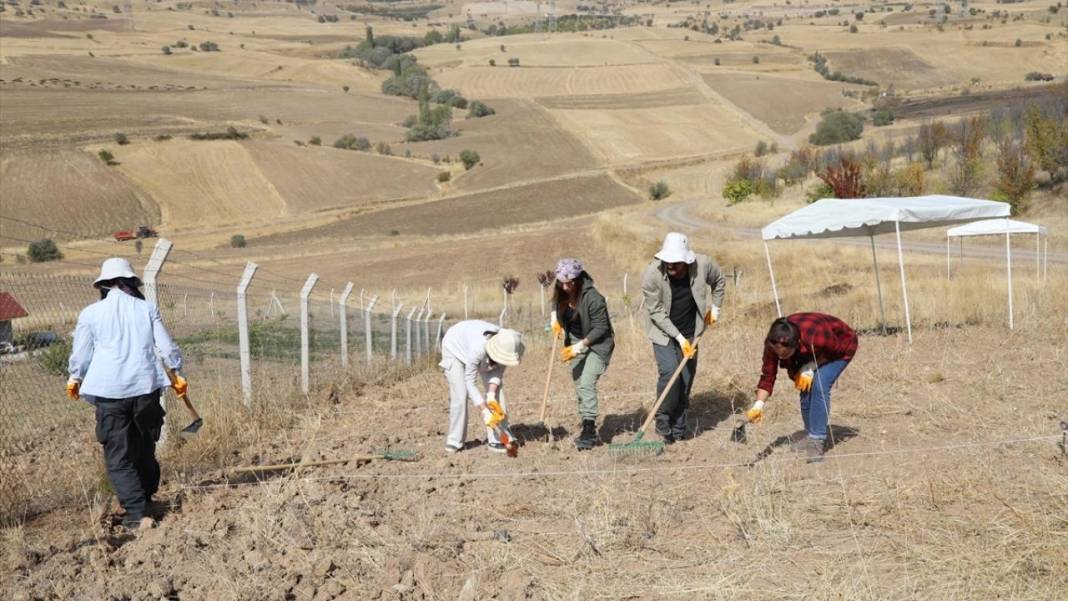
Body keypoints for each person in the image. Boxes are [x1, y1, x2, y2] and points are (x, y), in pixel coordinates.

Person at [66, 257, 184, 530]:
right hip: (146, 390)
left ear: (105, 285)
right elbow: (167, 347)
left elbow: (81, 354)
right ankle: (145, 500)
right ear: (131, 282)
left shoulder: (90, 314)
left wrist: (75, 377)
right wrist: (177, 372)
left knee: (119, 455)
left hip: (109, 394)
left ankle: (136, 514)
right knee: (144, 446)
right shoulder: (147, 309)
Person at [641, 232, 725, 444]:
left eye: (676, 263)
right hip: (662, 332)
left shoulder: (703, 264)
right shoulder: (652, 273)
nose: (671, 266)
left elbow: (720, 280)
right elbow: (656, 311)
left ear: (687, 261)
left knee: (686, 378)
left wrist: (715, 308)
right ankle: (662, 418)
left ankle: (678, 427)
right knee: (670, 373)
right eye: (667, 262)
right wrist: (679, 338)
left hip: (691, 330)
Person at [746, 313, 858, 463]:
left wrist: (812, 365)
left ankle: (817, 440)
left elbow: (837, 350)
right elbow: (768, 376)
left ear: (796, 344)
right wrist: (758, 405)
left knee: (819, 385)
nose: (781, 356)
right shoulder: (772, 344)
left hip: (841, 346)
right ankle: (810, 433)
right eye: (778, 354)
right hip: (814, 352)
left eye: (785, 354)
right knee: (805, 386)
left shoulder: (815, 336)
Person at [550, 258, 614, 451]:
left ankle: (589, 431)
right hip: (574, 343)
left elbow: (602, 327)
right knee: (580, 387)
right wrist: (555, 320)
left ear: (578, 279)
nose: (565, 286)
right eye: (561, 282)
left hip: (597, 344)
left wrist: (581, 346)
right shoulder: (561, 291)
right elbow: (555, 304)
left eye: (569, 283)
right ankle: (587, 420)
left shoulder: (593, 297)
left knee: (587, 383)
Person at [439, 321, 524, 454]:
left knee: (497, 393)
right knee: (460, 395)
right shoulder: (477, 349)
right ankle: (455, 441)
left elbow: (498, 372)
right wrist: (484, 410)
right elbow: (469, 381)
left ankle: (498, 438)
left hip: (481, 351)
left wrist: (490, 395)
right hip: (454, 348)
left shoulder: (508, 345)